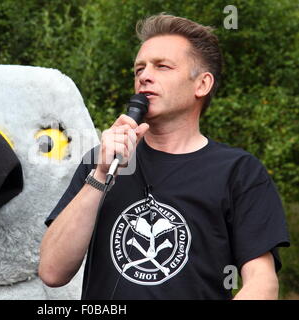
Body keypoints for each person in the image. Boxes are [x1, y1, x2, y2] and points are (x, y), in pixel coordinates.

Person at [38, 13, 290, 300]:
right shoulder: (101, 161)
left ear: (202, 85)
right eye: (139, 69)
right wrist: (99, 176)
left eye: (162, 67)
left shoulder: (238, 171)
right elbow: (52, 271)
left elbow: (262, 283)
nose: (144, 76)